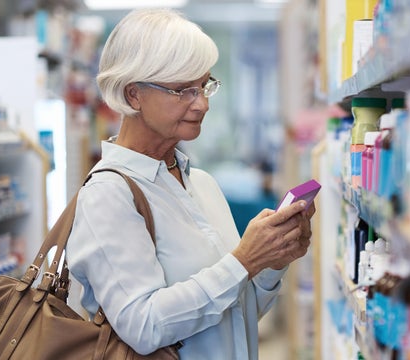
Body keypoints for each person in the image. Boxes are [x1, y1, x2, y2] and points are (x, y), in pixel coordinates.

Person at [65, 8, 315, 359]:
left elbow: (236, 316)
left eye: (205, 86)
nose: (202, 104)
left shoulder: (202, 184)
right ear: (133, 94)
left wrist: (272, 259)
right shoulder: (108, 196)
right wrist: (243, 261)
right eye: (182, 90)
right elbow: (144, 326)